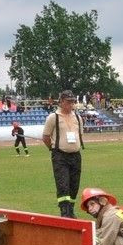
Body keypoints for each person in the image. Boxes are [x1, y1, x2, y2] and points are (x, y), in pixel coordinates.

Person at [42, 90, 85, 218]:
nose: (70, 104)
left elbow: (80, 135)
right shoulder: (53, 117)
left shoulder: (78, 117)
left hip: (76, 155)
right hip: (60, 156)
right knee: (63, 184)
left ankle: (71, 210)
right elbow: (45, 137)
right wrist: (54, 148)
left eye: (72, 102)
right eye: (68, 102)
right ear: (61, 102)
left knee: (74, 185)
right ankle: (64, 213)